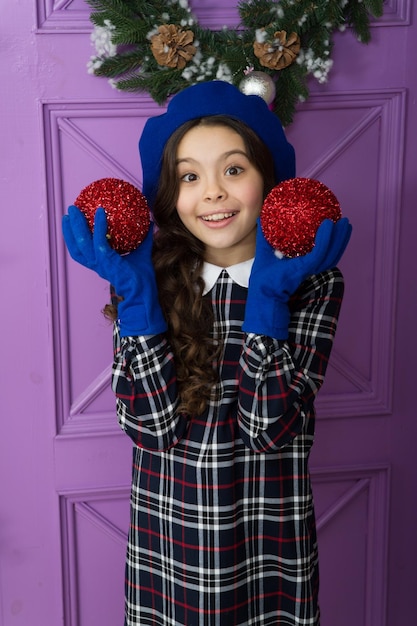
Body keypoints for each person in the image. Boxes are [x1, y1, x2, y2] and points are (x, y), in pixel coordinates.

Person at [62, 80, 352, 626]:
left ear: (271, 181)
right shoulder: (148, 278)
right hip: (168, 555)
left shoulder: (313, 283)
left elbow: (269, 427)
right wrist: (139, 300)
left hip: (270, 554)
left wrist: (268, 296)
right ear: (170, 196)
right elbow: (151, 428)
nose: (213, 192)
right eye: (190, 177)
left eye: (234, 170)